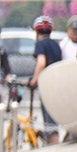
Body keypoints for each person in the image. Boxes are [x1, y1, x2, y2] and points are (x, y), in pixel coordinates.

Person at [30, 14, 63, 144]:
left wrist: (34, 80)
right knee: (54, 123)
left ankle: (53, 151)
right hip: (57, 85)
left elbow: (41, 63)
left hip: (47, 86)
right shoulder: (56, 45)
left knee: (49, 125)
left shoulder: (40, 44)